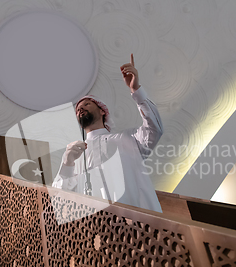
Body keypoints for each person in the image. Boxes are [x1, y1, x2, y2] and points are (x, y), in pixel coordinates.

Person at [52, 54, 163, 213]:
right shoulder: (75, 155)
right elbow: (60, 198)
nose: (80, 109)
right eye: (77, 110)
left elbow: (155, 129)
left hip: (137, 225)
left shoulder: (127, 140)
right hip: (93, 230)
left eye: (87, 104)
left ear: (103, 111)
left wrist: (136, 90)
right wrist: (67, 163)